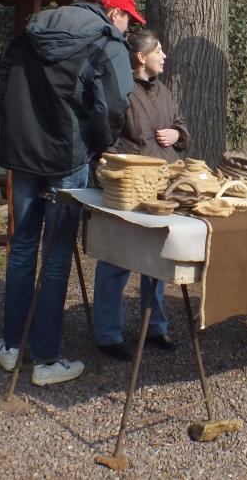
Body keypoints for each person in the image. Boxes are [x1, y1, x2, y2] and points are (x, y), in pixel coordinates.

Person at [0, 0, 146, 386]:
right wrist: (96, 146)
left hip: (23, 154)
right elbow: (113, 106)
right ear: (113, 13)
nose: (129, 28)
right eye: (128, 18)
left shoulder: (32, 31)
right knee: (56, 254)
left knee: (22, 248)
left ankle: (11, 347)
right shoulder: (105, 42)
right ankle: (45, 359)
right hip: (67, 157)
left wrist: (13, 128)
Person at [93, 29, 190, 361]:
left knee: (157, 261)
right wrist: (117, 171)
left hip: (162, 190)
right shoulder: (120, 90)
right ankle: (107, 334)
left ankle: (155, 327)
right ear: (140, 57)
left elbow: (181, 126)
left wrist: (176, 132)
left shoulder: (164, 91)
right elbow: (104, 136)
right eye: (158, 51)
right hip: (127, 191)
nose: (164, 56)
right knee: (116, 259)